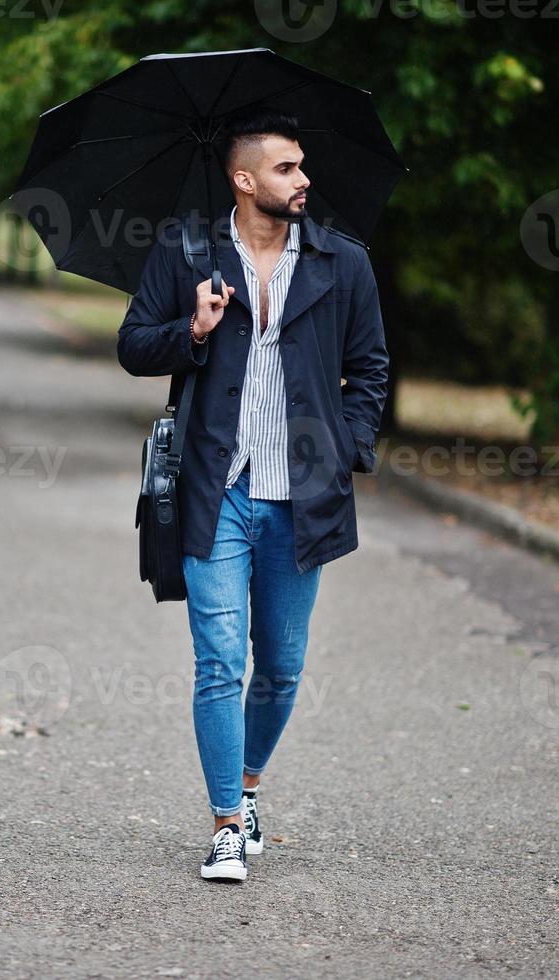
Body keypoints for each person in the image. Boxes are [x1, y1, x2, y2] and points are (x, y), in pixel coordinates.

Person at [116, 108, 390, 883]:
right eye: (285, 168)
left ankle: (249, 784)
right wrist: (192, 330)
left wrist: (350, 446)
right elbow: (132, 345)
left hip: (303, 494)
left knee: (280, 668)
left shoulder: (344, 263)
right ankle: (225, 826)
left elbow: (369, 368)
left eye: (302, 167)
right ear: (242, 180)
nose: (303, 180)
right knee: (218, 662)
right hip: (216, 488)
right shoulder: (185, 253)